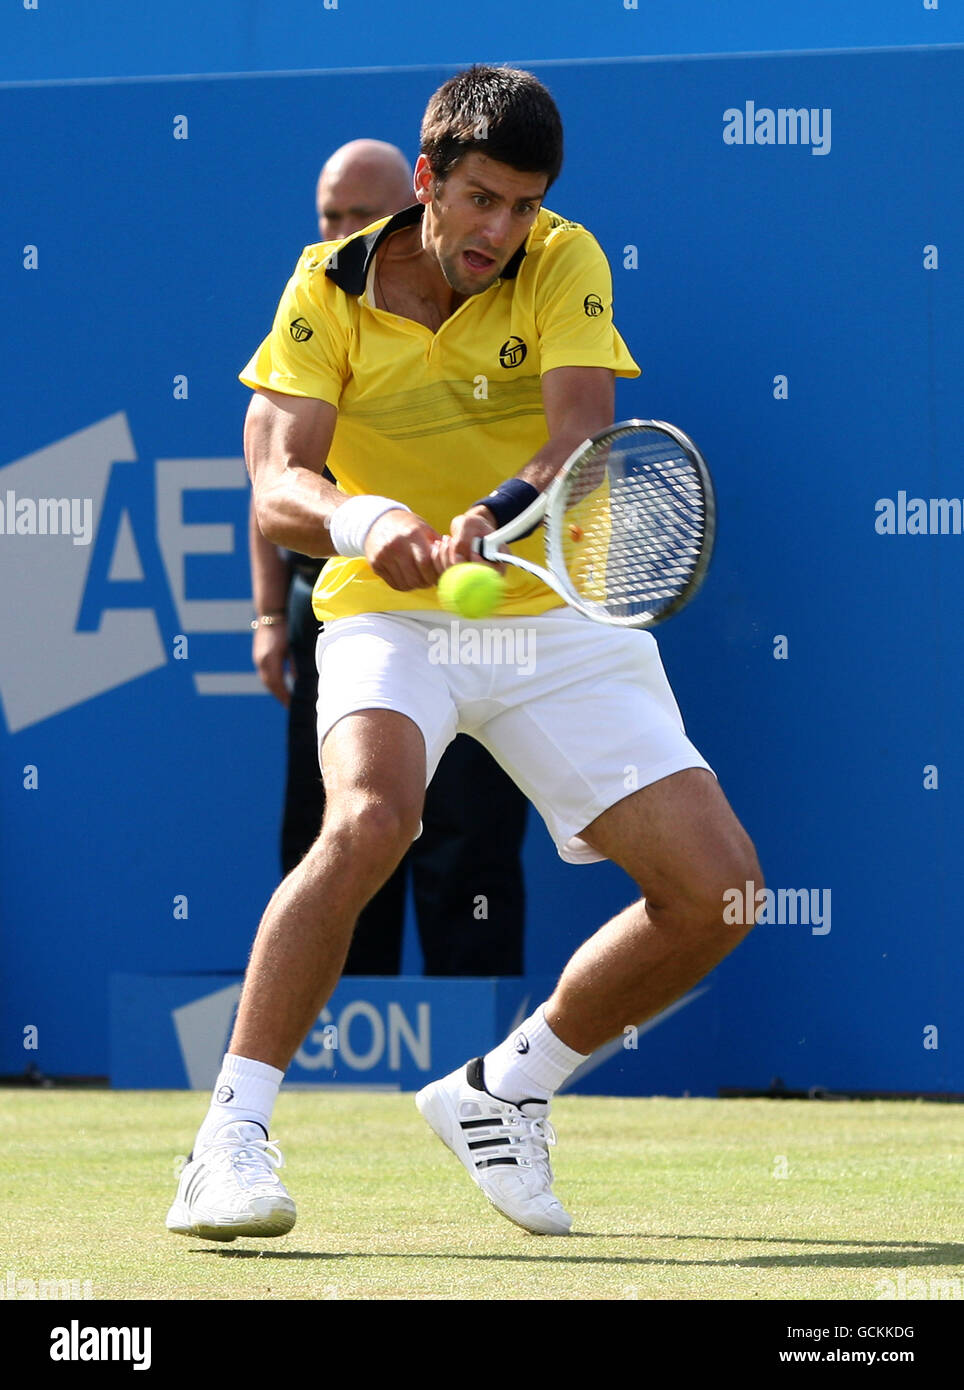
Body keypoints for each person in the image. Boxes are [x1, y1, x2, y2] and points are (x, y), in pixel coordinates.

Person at [167, 65, 761, 1242]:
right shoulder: (326, 284)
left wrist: (495, 510)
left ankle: (506, 1090)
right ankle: (228, 1137)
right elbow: (277, 479)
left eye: (523, 206)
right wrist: (369, 521)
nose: (502, 230)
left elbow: (581, 431)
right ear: (426, 180)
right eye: (480, 199)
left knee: (720, 891)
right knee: (372, 820)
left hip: (545, 611)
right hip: (388, 616)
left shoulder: (563, 259)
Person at [250, 137, 529, 974]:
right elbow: (269, 480)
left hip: (481, 607)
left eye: (359, 215)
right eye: (329, 215)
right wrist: (269, 614)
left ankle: (480, 1067)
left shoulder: (492, 291)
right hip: (340, 609)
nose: (341, 230)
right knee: (341, 832)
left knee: (468, 842)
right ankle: (335, 1043)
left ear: (414, 205)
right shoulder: (318, 299)